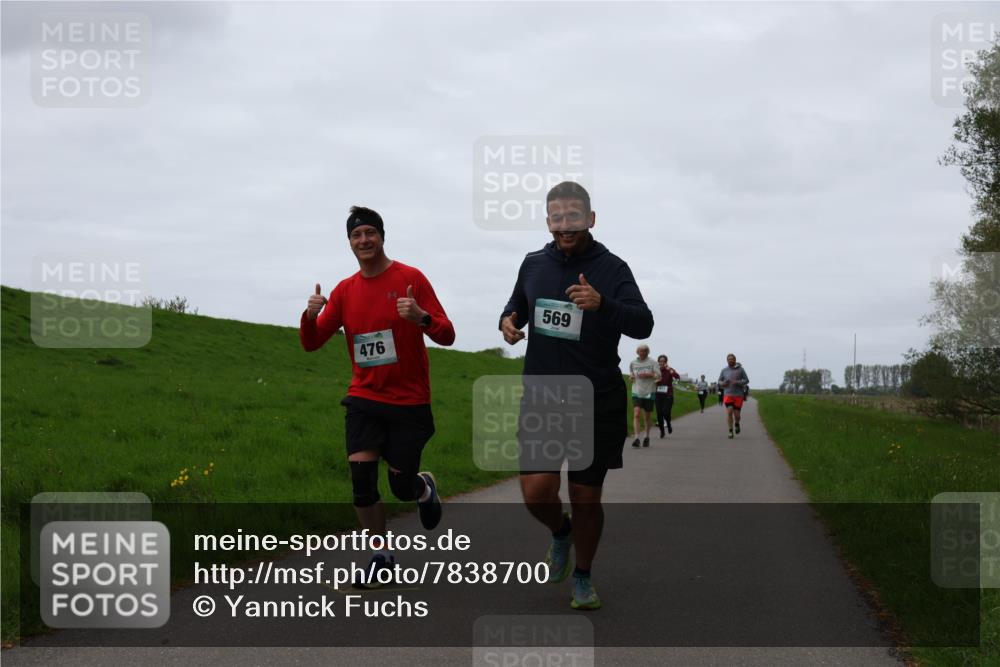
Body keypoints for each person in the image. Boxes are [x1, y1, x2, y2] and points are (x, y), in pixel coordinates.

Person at [499, 181, 653, 611]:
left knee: (586, 497)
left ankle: (582, 577)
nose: (565, 225)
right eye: (556, 217)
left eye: (573, 217)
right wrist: (507, 323)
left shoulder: (613, 267)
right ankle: (560, 532)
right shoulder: (532, 264)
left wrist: (603, 304)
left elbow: (643, 323)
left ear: (590, 218)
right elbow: (515, 305)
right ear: (548, 220)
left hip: (595, 398)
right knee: (536, 491)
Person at [300, 206, 455, 588]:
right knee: (362, 482)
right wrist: (309, 314)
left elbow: (447, 334)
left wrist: (420, 317)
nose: (364, 240)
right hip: (364, 397)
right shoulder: (345, 290)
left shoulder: (410, 278)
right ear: (349, 242)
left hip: (409, 401)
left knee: (400, 487)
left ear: (382, 236)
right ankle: (381, 556)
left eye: (370, 232)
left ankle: (421, 487)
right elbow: (312, 342)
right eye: (356, 235)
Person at [630, 345, 658, 447]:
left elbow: (658, 375)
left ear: (648, 352)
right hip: (636, 391)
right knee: (636, 414)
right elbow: (632, 375)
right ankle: (637, 438)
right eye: (641, 351)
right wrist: (631, 377)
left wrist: (649, 375)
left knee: (647, 416)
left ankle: (646, 436)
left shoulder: (653, 362)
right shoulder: (633, 363)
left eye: (645, 351)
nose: (643, 353)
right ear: (637, 352)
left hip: (649, 391)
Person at [718, 353, 750, 439]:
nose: (730, 360)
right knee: (729, 412)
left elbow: (747, 380)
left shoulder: (741, 370)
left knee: (737, 415)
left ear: (735, 360)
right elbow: (719, 381)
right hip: (728, 394)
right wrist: (723, 383)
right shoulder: (724, 370)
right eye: (729, 359)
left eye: (732, 359)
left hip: (738, 395)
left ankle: (737, 423)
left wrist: (738, 382)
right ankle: (730, 431)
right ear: (727, 360)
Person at [654, 355, 681, 436]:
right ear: (658, 362)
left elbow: (677, 377)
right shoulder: (656, 370)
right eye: (660, 361)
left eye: (663, 361)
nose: (662, 363)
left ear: (666, 362)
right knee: (659, 413)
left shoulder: (669, 369)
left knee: (665, 412)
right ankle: (662, 431)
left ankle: (668, 424)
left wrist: (670, 370)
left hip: (668, 394)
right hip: (658, 395)